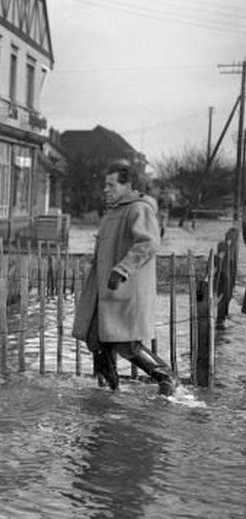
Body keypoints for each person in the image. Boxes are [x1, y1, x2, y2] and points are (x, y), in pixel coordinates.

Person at [72, 160, 176, 396]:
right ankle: (109, 391)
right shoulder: (115, 210)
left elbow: (148, 242)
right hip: (105, 289)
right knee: (99, 338)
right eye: (105, 185)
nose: (106, 190)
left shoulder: (139, 209)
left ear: (127, 185)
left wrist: (122, 269)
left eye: (111, 185)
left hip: (124, 289)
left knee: (125, 343)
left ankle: (166, 376)